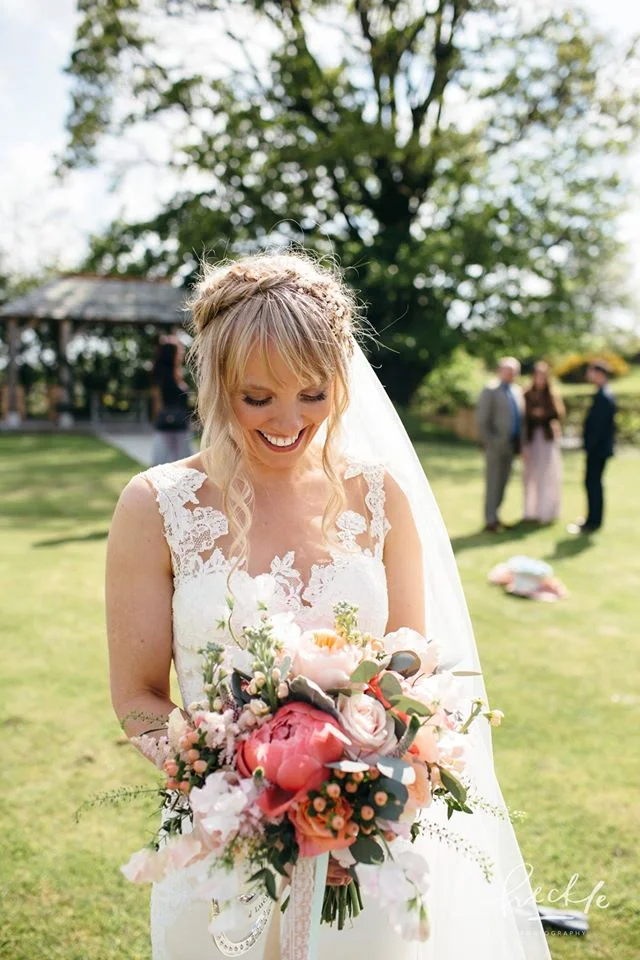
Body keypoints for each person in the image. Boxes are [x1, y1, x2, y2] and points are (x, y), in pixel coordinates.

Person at [106, 253, 551, 959]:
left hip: (360, 857)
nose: (289, 421)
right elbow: (136, 697)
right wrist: (241, 794)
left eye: (313, 394)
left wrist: (365, 789)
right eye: (258, 397)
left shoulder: (379, 496)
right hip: (219, 847)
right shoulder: (156, 505)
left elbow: (411, 665)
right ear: (215, 383)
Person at [568, 359, 617, 534]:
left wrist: (589, 445)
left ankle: (593, 522)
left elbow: (599, 427)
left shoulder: (604, 396)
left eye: (591, 372)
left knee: (593, 483)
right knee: (593, 483)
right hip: (598, 449)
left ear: (599, 373)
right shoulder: (603, 393)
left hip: (598, 450)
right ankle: (592, 519)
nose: (588, 375)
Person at [476, 357, 524, 532]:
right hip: (495, 445)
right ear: (500, 371)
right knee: (493, 483)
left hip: (512, 445)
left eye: (514, 371)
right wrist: (490, 441)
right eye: (508, 370)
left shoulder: (517, 391)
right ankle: (490, 520)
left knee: (503, 482)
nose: (511, 374)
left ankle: (496, 515)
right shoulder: (490, 390)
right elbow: (482, 419)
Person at [522, 361, 565, 524]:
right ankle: (531, 511)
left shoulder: (551, 394)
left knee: (548, 474)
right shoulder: (526, 394)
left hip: (547, 439)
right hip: (532, 438)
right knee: (531, 474)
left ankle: (547, 510)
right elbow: (524, 418)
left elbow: (558, 414)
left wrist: (543, 413)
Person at [150, 336, 194, 465]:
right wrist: (156, 421)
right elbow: (157, 401)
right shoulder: (161, 376)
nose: (181, 354)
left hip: (181, 425)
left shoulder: (178, 373)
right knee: (162, 463)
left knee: (184, 464)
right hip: (166, 424)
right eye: (179, 351)